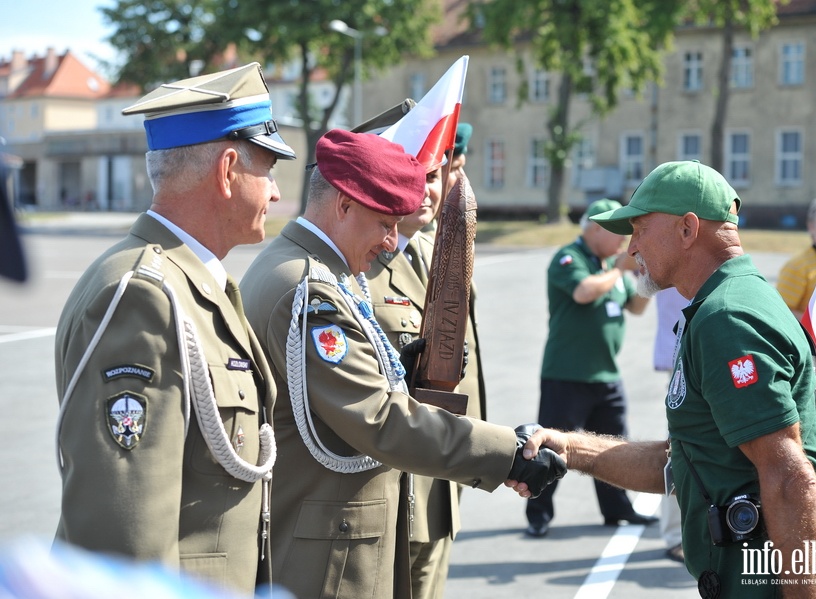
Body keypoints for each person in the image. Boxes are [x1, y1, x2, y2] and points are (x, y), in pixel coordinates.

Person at [510, 161, 816, 597]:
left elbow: (790, 479)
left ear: (687, 229)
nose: (632, 245)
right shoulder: (720, 306)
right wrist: (570, 448)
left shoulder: (727, 318)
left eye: (640, 228)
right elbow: (687, 457)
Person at [238, 128, 565, 599]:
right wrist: (506, 455)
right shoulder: (307, 290)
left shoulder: (315, 271)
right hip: (327, 558)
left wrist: (400, 375)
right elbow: (378, 418)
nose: (392, 243)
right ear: (344, 205)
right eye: (385, 223)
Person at [53, 63, 294, 595]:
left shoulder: (191, 280)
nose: (275, 193)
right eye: (269, 169)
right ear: (228, 170)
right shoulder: (143, 296)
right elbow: (126, 530)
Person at [365, 124, 484, 599]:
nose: (428, 190)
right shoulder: (360, 265)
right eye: (413, 174)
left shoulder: (442, 248)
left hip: (441, 479)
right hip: (394, 489)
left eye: (435, 175)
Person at [524, 199, 654, 538]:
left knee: (614, 447)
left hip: (606, 375)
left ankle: (617, 509)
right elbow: (583, 292)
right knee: (553, 446)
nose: (622, 243)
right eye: (616, 234)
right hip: (567, 375)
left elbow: (635, 307)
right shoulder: (571, 258)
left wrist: (647, 279)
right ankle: (538, 510)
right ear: (594, 229)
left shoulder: (612, 266)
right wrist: (620, 269)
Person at [653, 287, 690, 563]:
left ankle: (681, 533)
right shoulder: (671, 249)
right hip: (681, 353)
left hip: (703, 350)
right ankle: (675, 536)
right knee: (679, 444)